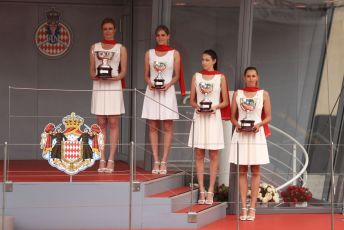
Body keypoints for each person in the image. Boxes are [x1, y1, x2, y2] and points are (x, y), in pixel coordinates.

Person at [229, 66, 271, 221]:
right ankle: (243, 207)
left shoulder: (264, 94)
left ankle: (253, 207)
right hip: (241, 135)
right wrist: (237, 125)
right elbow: (233, 117)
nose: (251, 78)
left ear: (257, 77)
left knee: (255, 171)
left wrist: (259, 125)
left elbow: (268, 117)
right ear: (244, 77)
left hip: (256, 135)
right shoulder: (237, 94)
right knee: (241, 171)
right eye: (248, 76)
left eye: (253, 76)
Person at [188, 49, 230, 205]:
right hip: (200, 117)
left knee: (213, 155)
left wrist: (215, 107)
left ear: (214, 60)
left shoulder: (221, 77)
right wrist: (197, 106)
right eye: (202, 59)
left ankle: (211, 189)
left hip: (213, 118)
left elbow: (226, 101)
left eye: (206, 59)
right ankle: (202, 190)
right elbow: (192, 100)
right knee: (199, 154)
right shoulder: (196, 76)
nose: (203, 62)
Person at [141, 25, 185, 175]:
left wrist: (168, 84)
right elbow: (146, 75)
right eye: (158, 35)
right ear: (155, 37)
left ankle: (164, 160)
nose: (160, 37)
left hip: (167, 91)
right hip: (152, 91)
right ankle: (156, 160)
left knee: (167, 126)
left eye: (163, 35)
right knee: (152, 126)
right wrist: (150, 83)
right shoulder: (149, 53)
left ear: (168, 36)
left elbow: (177, 75)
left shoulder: (175, 53)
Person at [89, 18, 127, 173]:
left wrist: (115, 77)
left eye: (110, 28)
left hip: (114, 86)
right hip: (99, 86)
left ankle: (111, 158)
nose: (108, 31)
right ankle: (101, 158)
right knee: (101, 123)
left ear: (115, 30)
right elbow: (91, 71)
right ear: (102, 30)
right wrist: (96, 76)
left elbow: (123, 71)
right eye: (105, 28)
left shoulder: (121, 48)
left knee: (113, 123)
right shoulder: (94, 47)